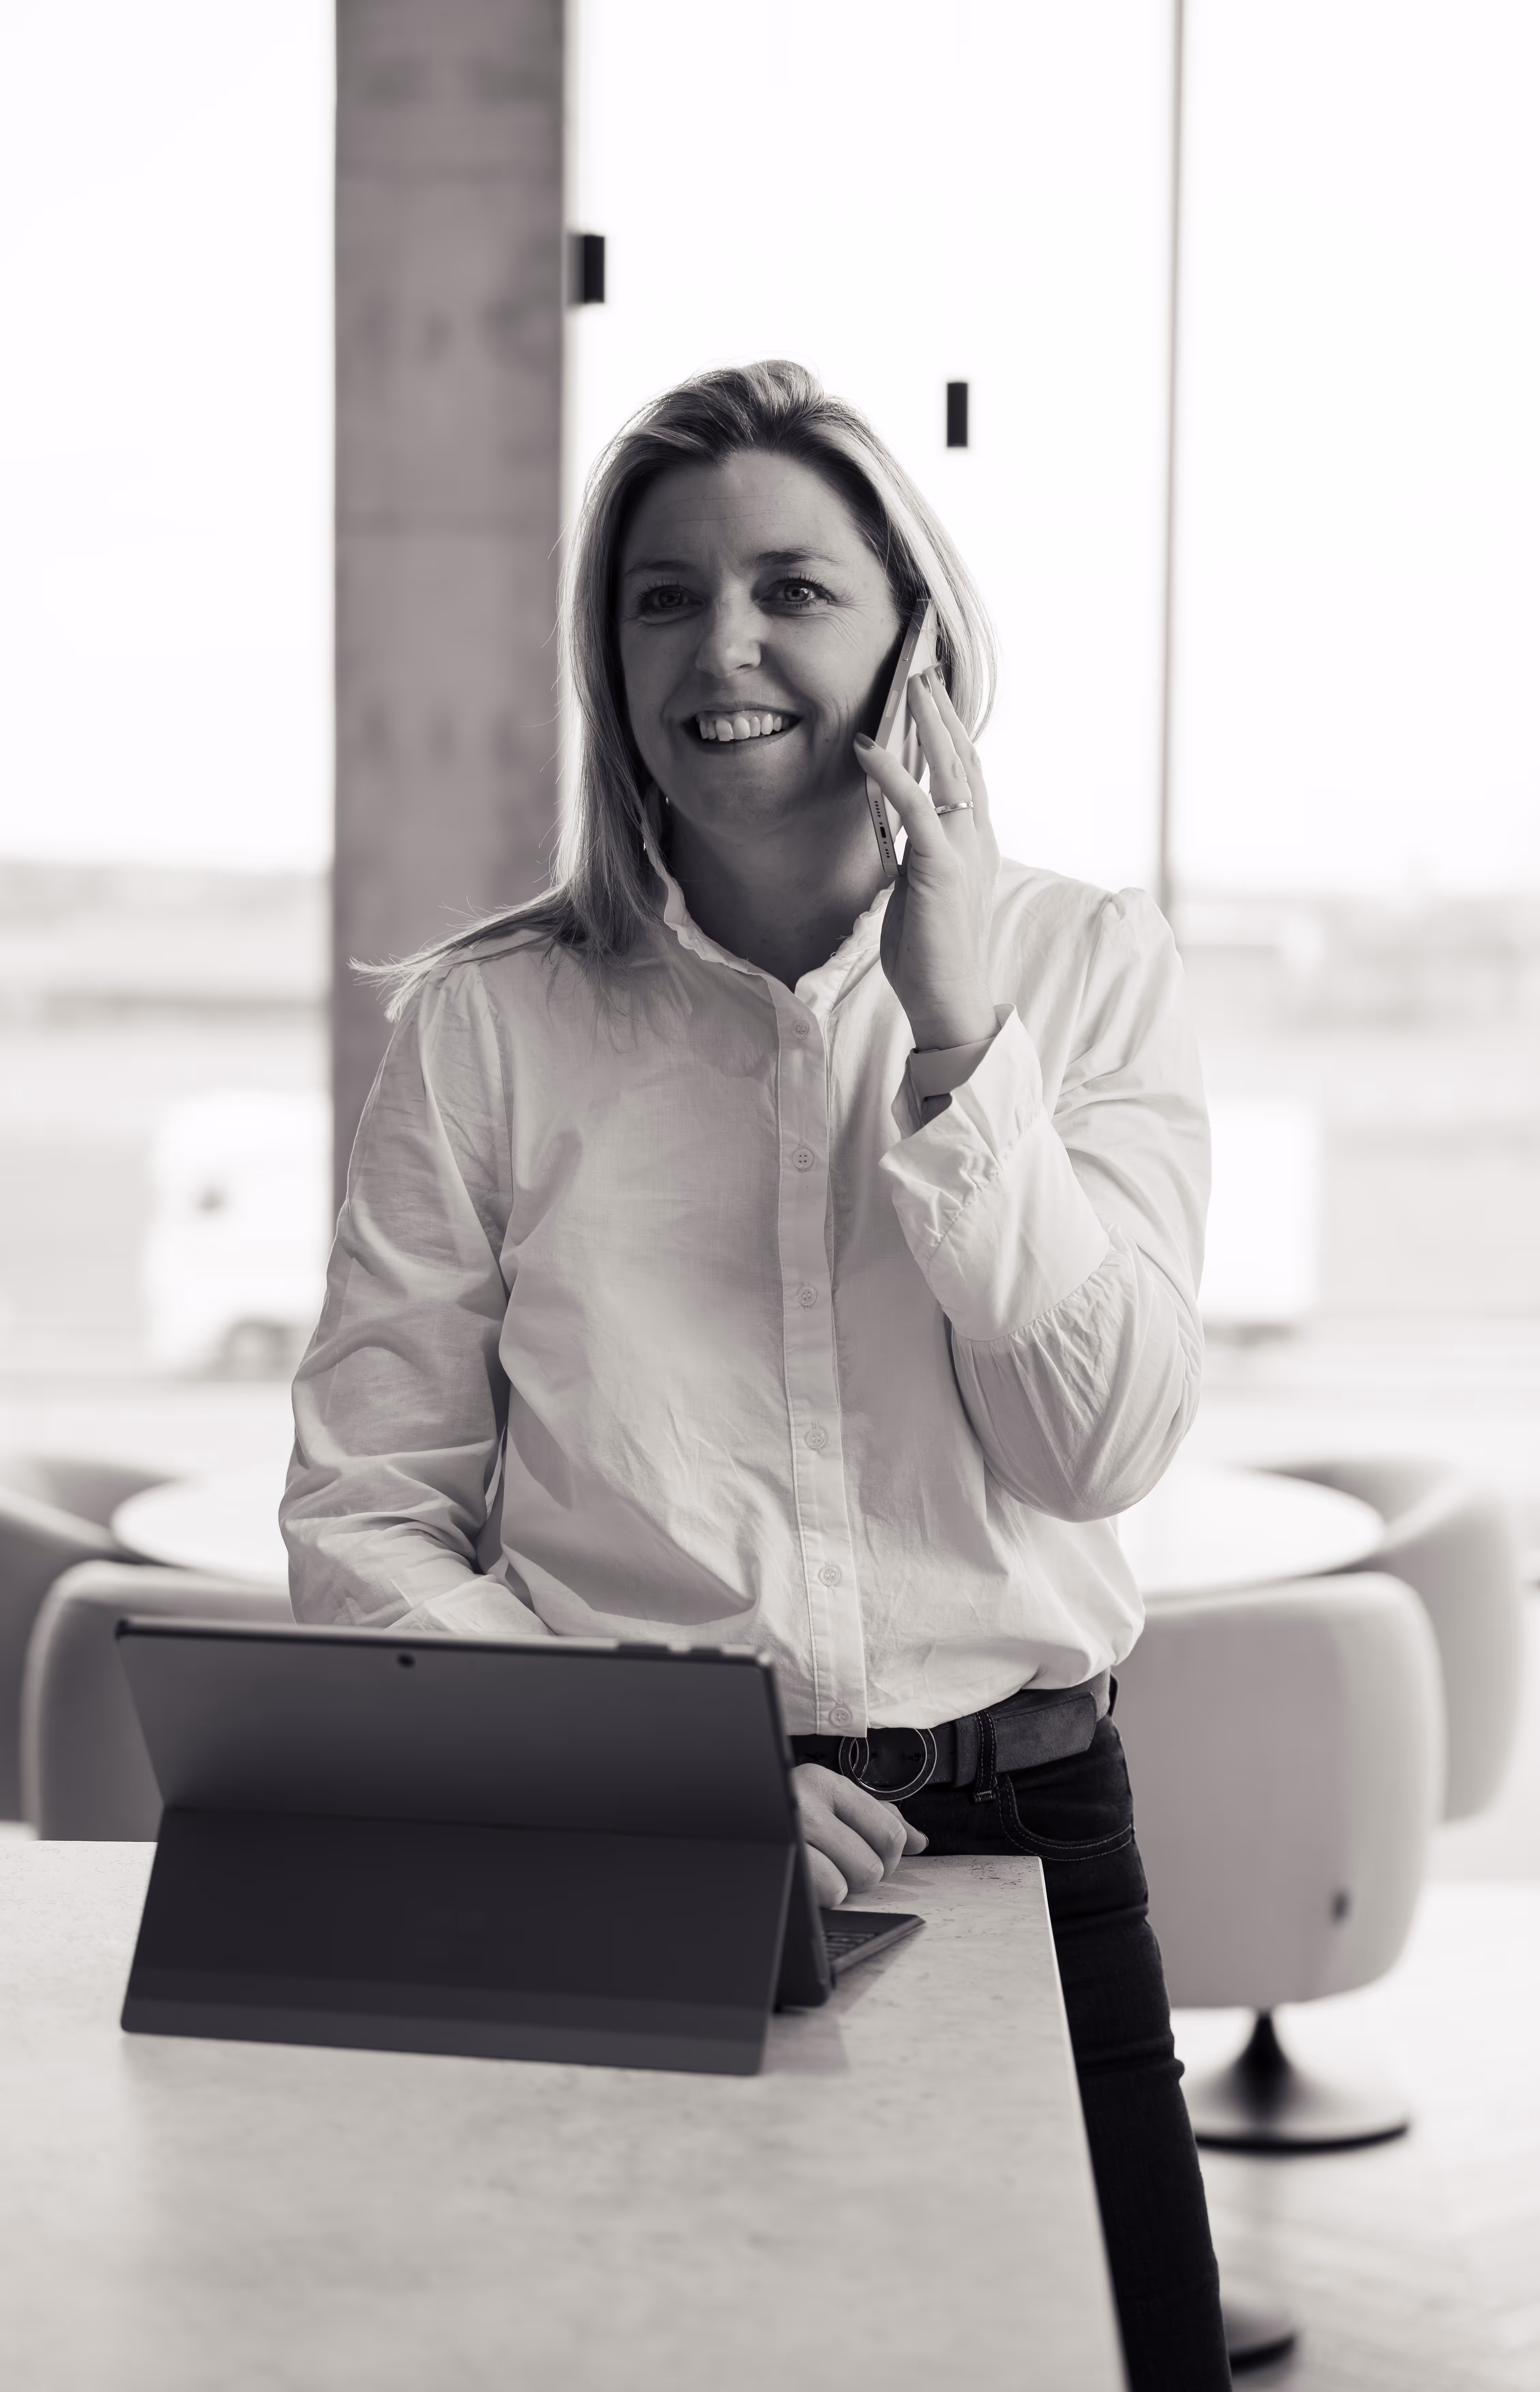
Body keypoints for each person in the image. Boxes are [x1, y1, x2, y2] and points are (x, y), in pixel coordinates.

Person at [283, 359, 1227, 2391]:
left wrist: (964, 1044)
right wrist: (653, 1792)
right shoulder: (489, 1021)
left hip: (1025, 1838)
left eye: (797, 587)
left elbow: (1103, 1440)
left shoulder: (1085, 968)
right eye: (659, 598)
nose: (723, 648)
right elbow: (365, 1512)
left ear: (915, 639)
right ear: (604, 658)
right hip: (622, 1854)